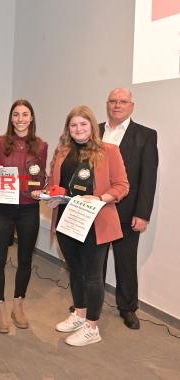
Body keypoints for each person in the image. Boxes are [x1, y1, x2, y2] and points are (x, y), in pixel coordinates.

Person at [44, 105, 129, 346]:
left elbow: (122, 186)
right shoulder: (62, 152)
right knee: (75, 270)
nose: (78, 129)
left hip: (94, 222)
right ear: (68, 129)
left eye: (83, 124)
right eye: (73, 125)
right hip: (66, 220)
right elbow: (56, 184)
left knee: (93, 275)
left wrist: (100, 198)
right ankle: (80, 314)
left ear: (92, 126)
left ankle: (92, 327)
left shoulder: (109, 151)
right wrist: (52, 196)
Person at [100, 88, 158, 330]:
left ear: (131, 106)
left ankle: (127, 308)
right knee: (93, 261)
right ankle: (88, 302)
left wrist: (143, 214)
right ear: (107, 104)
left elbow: (148, 177)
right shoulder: (94, 130)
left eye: (123, 101)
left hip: (127, 211)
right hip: (96, 209)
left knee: (126, 262)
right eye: (113, 101)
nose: (117, 105)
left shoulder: (145, 135)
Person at [0, 100, 47, 333]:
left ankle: (18, 305)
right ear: (11, 118)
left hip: (28, 209)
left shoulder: (41, 146)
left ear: (31, 118)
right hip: (2, 209)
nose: (20, 119)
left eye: (25, 114)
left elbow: (40, 177)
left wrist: (41, 189)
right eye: (16, 114)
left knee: (25, 260)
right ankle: (0, 308)